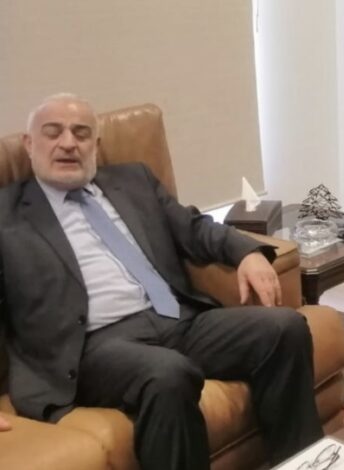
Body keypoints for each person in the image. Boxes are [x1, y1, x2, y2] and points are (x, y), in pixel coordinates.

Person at [0, 94, 323, 469]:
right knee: (168, 374)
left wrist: (246, 253)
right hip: (93, 346)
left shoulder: (133, 180)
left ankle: (302, 464)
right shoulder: (7, 214)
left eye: (81, 133)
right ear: (29, 144)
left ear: (96, 145)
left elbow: (193, 227)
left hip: (176, 318)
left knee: (285, 328)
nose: (69, 143)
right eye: (53, 132)